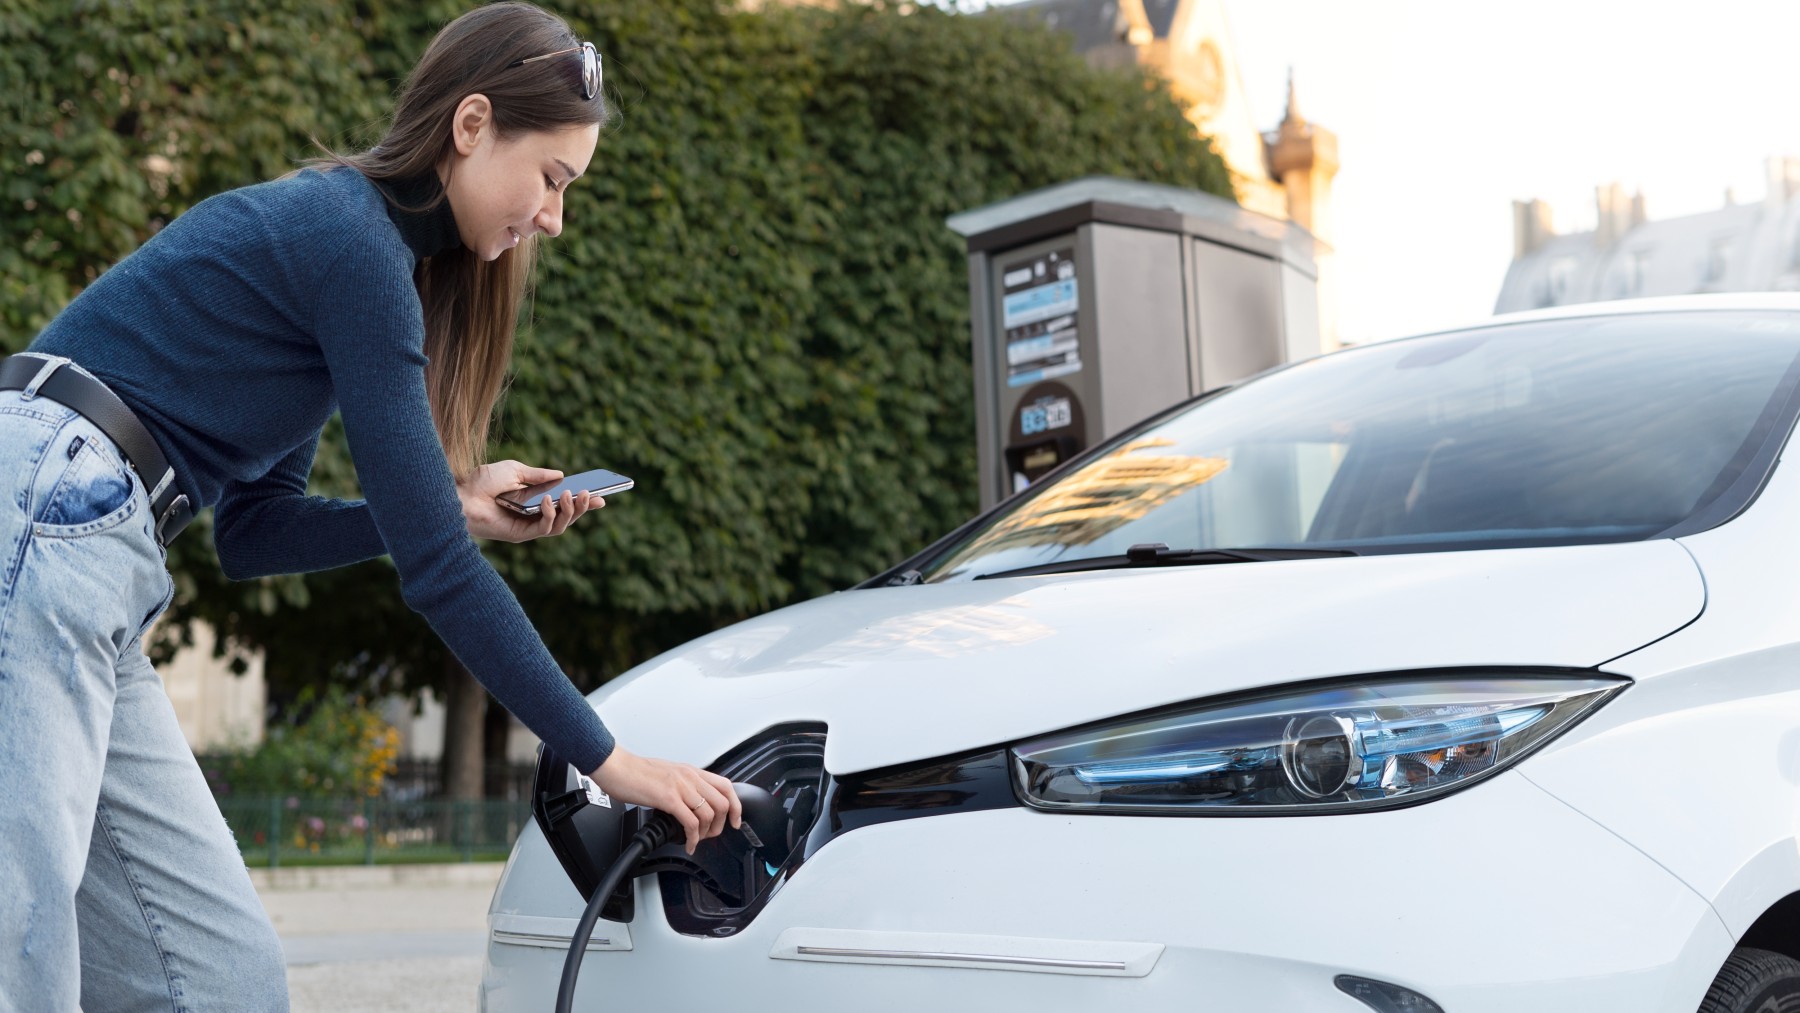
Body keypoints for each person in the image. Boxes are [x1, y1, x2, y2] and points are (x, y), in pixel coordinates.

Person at [0, 4, 742, 1009]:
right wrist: (609, 759)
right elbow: (435, 574)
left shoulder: (347, 258)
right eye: (555, 179)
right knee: (21, 953)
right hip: (41, 508)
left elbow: (256, 533)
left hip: (93, 546)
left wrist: (455, 506)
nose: (556, 217)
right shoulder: (348, 239)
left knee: (222, 978)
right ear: (472, 124)